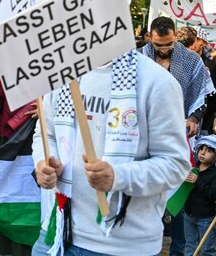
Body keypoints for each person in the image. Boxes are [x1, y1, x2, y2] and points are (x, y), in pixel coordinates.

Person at [31, 49, 191, 255]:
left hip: (121, 246)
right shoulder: (63, 73)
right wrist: (44, 161)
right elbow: (45, 133)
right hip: (56, 233)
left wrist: (118, 177)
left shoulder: (157, 82)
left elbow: (175, 165)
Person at [141, 17, 214, 255]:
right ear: (150, 38)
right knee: (147, 194)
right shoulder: (138, 58)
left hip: (179, 140)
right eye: (159, 45)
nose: (164, 49)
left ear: (175, 37)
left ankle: (179, 250)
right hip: (145, 140)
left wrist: (193, 118)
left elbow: (202, 96)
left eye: (169, 44)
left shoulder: (192, 60)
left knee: (178, 199)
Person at [184, 135, 216, 256]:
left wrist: (197, 181)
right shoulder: (193, 167)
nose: (203, 153)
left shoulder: (214, 173)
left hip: (206, 218)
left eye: (209, 151)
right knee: (190, 245)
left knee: (207, 248)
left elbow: (213, 194)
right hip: (189, 214)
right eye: (201, 149)